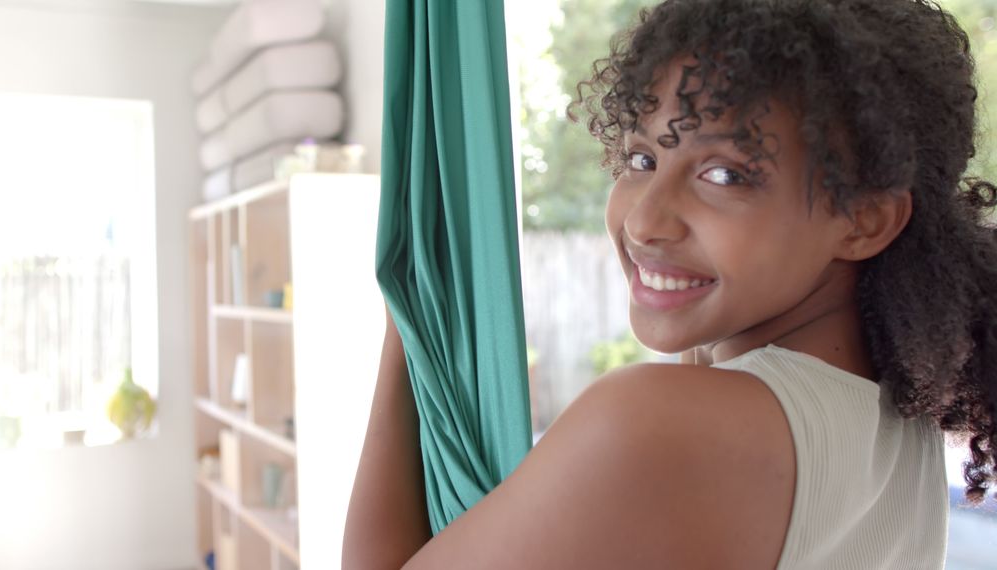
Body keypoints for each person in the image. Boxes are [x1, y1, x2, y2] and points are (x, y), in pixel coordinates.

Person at [343, 0, 997, 567]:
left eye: (725, 175)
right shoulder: (891, 423)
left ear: (865, 220)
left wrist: (415, 311)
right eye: (641, 158)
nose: (645, 220)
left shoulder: (657, 425)